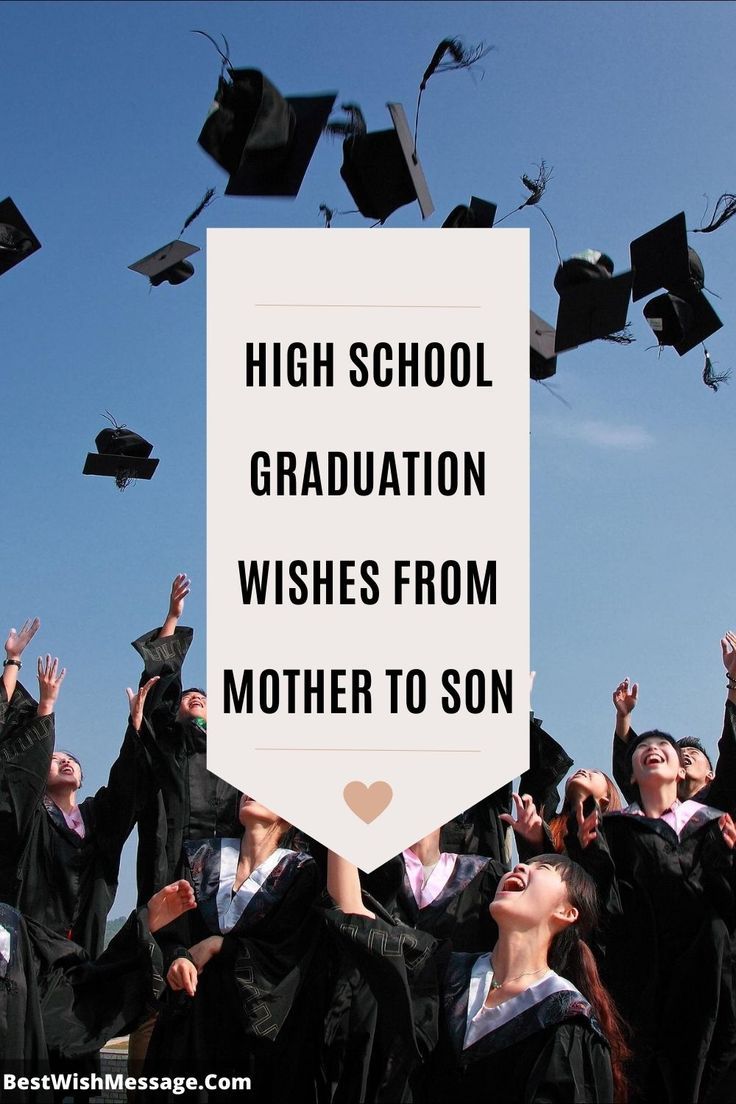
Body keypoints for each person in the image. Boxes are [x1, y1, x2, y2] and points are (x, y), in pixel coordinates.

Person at [325, 849, 625, 1103]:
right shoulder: (444, 972)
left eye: (543, 868)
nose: (520, 866)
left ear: (567, 912)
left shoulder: (566, 1020)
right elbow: (354, 913)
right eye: (525, 863)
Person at [568, 728, 736, 1103]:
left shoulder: (711, 822)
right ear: (629, 775)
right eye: (642, 747)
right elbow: (606, 912)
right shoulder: (612, 831)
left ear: (680, 771)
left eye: (663, 746)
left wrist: (730, 858)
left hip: (710, 983)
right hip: (641, 988)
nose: (652, 749)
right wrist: (589, 855)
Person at [143, 795, 323, 1101]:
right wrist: (177, 958)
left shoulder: (302, 873)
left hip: (252, 1036)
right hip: (191, 1022)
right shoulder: (201, 858)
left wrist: (222, 946)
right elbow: (173, 932)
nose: (251, 790)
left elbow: (290, 954)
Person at [0, 620, 152, 958]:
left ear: (82, 779)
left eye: (72, 760)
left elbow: (125, 790)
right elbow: (19, 771)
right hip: (26, 950)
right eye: (54, 759)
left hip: (80, 952)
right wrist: (42, 702)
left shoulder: (96, 818)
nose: (65, 762)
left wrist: (135, 727)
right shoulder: (31, 813)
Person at [611, 633, 736, 812]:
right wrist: (623, 718)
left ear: (711, 775)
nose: (685, 755)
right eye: (678, 753)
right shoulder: (653, 812)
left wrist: (734, 678)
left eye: (693, 752)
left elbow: (731, 748)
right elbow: (629, 769)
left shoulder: (720, 805)